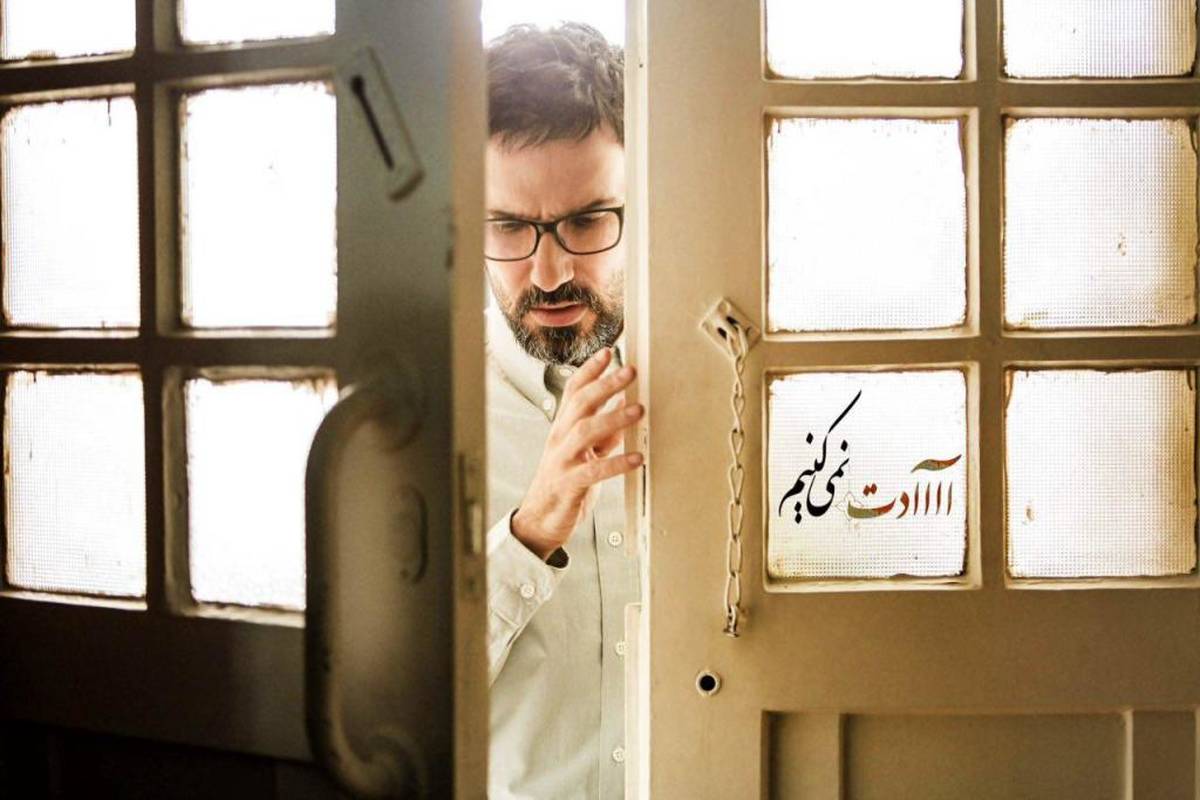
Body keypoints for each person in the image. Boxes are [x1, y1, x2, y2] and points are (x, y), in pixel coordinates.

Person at [482, 22, 641, 800]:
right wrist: (530, 533)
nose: (548, 274)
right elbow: (391, 707)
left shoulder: (726, 384)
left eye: (586, 222)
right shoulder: (426, 418)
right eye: (510, 226)